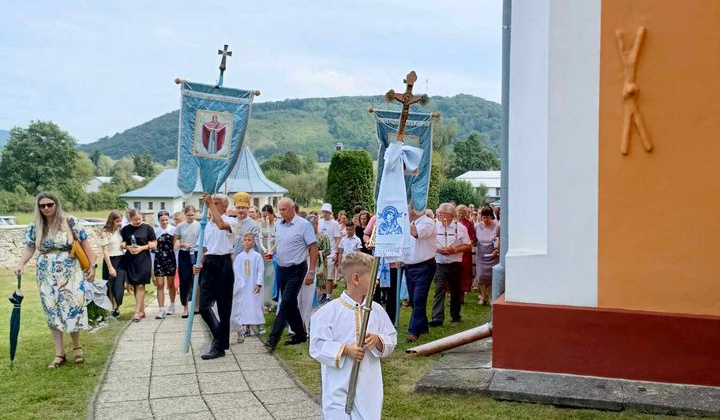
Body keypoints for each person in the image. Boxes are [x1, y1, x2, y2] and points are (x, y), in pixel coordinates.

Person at [309, 251, 397, 420]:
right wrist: (345, 350)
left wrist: (378, 340)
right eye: (372, 277)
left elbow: (391, 337)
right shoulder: (328, 313)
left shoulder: (376, 311)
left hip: (368, 384)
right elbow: (317, 346)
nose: (377, 281)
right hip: (338, 384)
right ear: (356, 279)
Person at [14, 192, 98, 368]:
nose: (46, 208)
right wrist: (21, 262)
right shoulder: (35, 227)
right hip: (46, 273)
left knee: (72, 306)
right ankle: (59, 353)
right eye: (42, 205)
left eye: (49, 204)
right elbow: (29, 247)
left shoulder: (70, 222)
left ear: (56, 204)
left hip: (71, 272)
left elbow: (85, 245)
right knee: (51, 310)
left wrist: (92, 266)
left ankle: (76, 348)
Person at [265, 197, 318, 351]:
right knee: (291, 304)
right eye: (279, 210)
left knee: (285, 302)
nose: (280, 213)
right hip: (282, 268)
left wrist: (312, 271)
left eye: (283, 209)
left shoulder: (304, 225)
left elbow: (313, 248)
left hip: (297, 268)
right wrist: (272, 252)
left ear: (292, 209)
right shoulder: (279, 225)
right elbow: (280, 242)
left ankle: (273, 339)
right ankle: (301, 334)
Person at [193, 193, 238, 360]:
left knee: (224, 309)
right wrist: (198, 264)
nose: (211, 205)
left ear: (224, 207)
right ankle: (220, 339)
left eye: (216, 203)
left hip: (224, 264)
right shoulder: (205, 225)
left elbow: (221, 224)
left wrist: (210, 203)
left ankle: (219, 346)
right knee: (203, 307)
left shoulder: (231, 221)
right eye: (212, 202)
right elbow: (203, 249)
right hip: (209, 264)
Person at [430, 203, 472, 326]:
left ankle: (455, 314)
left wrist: (455, 250)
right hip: (439, 263)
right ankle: (437, 318)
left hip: (455, 263)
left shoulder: (460, 228)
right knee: (439, 289)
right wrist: (438, 249)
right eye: (438, 213)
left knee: (455, 290)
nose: (439, 215)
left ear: (449, 215)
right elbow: (429, 242)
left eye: (441, 213)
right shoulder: (434, 226)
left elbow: (468, 245)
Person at [403, 205, 437, 342]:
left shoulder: (428, 223)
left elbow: (415, 233)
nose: (406, 212)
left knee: (418, 299)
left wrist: (402, 220)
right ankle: (422, 326)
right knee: (414, 299)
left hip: (424, 266)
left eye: (408, 209)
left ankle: (414, 331)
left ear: (415, 210)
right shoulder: (412, 223)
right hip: (410, 266)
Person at [121, 208, 156, 322]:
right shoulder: (125, 229)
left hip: (144, 259)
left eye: (139, 219)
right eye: (135, 219)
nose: (138, 221)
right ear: (130, 219)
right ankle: (141, 310)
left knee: (141, 285)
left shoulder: (148, 228)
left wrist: (142, 248)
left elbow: (154, 243)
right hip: (131, 259)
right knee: (136, 285)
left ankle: (136, 312)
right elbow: (124, 243)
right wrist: (127, 247)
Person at [231, 232, 265, 342]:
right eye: (244, 240)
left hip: (253, 284)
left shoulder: (257, 256)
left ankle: (255, 325)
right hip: (242, 286)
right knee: (242, 306)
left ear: (253, 242)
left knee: (253, 305)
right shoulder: (239, 257)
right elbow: (235, 271)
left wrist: (259, 283)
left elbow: (260, 270)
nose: (246, 242)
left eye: (249, 240)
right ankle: (245, 327)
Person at [174, 205, 200, 318]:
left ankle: (197, 306)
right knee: (184, 280)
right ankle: (185, 307)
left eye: (192, 215)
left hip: (196, 253)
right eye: (188, 215)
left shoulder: (199, 225)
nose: (191, 217)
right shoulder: (180, 226)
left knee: (197, 280)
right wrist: (182, 244)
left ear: (195, 214)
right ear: (185, 215)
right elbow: (175, 241)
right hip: (184, 253)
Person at [100, 210, 124, 318]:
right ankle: (112, 310)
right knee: (110, 286)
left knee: (119, 288)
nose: (120, 223)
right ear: (112, 221)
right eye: (118, 221)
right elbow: (105, 251)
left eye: (121, 221)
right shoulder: (104, 232)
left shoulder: (121, 230)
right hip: (110, 261)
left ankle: (116, 307)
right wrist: (110, 268)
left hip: (121, 260)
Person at [154, 210, 177, 318]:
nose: (164, 222)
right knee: (160, 285)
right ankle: (161, 308)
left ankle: (172, 305)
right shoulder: (155, 231)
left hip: (171, 259)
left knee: (171, 284)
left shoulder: (173, 230)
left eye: (166, 220)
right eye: (162, 220)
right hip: (159, 259)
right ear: (158, 220)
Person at [475, 206, 500, 305]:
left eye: (488, 218)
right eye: (484, 218)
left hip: (492, 253)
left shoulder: (497, 226)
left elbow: (499, 239)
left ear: (492, 217)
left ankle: (490, 297)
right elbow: (474, 239)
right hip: (481, 254)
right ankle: (482, 296)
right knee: (481, 276)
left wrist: (496, 250)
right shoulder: (477, 226)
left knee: (491, 277)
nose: (486, 220)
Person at [318, 203, 341, 298]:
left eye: (327, 212)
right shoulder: (320, 222)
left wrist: (336, 253)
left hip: (331, 252)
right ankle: (322, 293)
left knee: (329, 275)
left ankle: (328, 295)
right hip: (321, 253)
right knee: (321, 274)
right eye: (324, 211)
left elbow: (337, 239)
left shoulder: (334, 223)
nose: (325, 213)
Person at [456, 205, 477, 302]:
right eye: (459, 212)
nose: (460, 214)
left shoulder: (468, 224)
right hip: (455, 250)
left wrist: (467, 245)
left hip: (465, 253)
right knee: (455, 273)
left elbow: (473, 238)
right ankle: (453, 295)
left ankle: (461, 296)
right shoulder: (453, 223)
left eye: (462, 212)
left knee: (464, 273)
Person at [259, 204, 278, 310]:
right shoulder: (260, 226)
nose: (264, 218)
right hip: (262, 256)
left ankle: (270, 300)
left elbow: (277, 242)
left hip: (273, 257)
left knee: (271, 277)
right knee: (263, 278)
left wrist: (271, 252)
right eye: (263, 216)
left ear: (272, 214)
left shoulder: (276, 226)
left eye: (266, 215)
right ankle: (264, 302)